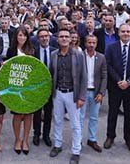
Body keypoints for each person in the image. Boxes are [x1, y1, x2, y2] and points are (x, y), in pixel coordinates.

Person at [48, 29, 87, 164]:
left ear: (71, 39)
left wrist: (82, 97)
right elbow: (51, 74)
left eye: (66, 36)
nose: (64, 38)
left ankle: (76, 151)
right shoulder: (53, 55)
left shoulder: (78, 55)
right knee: (58, 120)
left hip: (73, 94)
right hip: (58, 93)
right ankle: (57, 145)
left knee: (75, 124)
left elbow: (83, 77)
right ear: (57, 39)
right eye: (61, 36)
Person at [104, 24, 130, 153]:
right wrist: (119, 80)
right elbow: (108, 65)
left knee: (129, 114)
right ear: (119, 33)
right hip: (115, 86)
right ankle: (110, 136)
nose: (125, 33)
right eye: (123, 31)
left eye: (128, 31)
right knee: (113, 113)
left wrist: (129, 81)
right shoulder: (111, 47)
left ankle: (129, 139)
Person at [6, 27, 35, 155]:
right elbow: (8, 69)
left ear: (27, 37)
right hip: (15, 87)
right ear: (16, 37)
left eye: (24, 35)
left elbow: (36, 68)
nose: (22, 38)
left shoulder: (32, 50)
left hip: (29, 87)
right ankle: (17, 139)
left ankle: (25, 140)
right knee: (17, 114)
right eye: (19, 35)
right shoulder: (11, 50)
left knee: (28, 114)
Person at [79, 35, 107, 152]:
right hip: (82, 92)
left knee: (94, 117)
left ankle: (92, 139)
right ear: (85, 43)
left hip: (95, 92)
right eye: (89, 42)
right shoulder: (79, 56)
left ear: (96, 44)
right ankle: (78, 140)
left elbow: (104, 76)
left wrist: (101, 92)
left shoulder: (101, 57)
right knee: (79, 118)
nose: (91, 45)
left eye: (93, 43)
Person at [32, 29, 55, 147]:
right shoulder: (33, 52)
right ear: (38, 39)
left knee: (48, 113)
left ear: (49, 37)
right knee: (36, 112)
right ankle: (36, 134)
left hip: (50, 88)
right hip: (36, 88)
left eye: (46, 36)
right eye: (41, 36)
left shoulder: (54, 52)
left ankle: (46, 135)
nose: (44, 38)